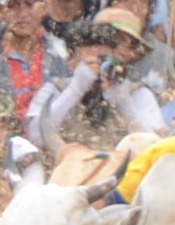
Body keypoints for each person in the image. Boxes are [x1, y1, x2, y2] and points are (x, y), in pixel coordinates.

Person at [25, 17, 167, 154]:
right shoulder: (55, 89)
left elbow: (154, 148)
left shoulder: (137, 93)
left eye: (104, 59)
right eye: (92, 62)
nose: (98, 69)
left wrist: (122, 101)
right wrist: (76, 89)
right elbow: (36, 138)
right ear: (71, 60)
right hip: (69, 172)